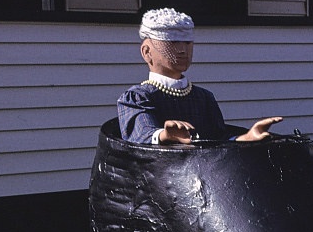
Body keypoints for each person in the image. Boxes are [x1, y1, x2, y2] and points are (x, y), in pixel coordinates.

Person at [117, 8, 282, 144]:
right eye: (172, 43)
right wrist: (165, 135)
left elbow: (218, 140)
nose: (183, 50)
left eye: (188, 43)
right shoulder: (137, 97)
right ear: (146, 52)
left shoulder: (204, 97)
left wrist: (245, 138)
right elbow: (140, 136)